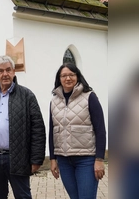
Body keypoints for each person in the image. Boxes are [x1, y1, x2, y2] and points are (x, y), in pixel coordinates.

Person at [0, 55, 46, 199]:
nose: (5, 74)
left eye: (8, 70)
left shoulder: (26, 95)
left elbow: (37, 128)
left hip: (19, 157)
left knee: (23, 196)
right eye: (1, 71)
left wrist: (36, 159)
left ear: (14, 71)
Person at [49, 63, 106, 199]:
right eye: (64, 75)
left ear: (77, 76)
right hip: (63, 160)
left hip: (86, 160)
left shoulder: (89, 97)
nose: (68, 78)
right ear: (59, 79)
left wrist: (99, 159)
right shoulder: (54, 101)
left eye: (71, 74)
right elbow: (52, 131)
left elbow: (100, 129)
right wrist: (52, 159)